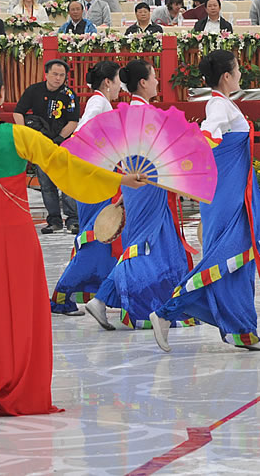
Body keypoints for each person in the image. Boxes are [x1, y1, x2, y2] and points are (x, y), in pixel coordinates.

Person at [0, 62, 145, 419]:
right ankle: (17, 385)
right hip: (16, 236)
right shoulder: (22, 137)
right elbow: (69, 165)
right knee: (19, 308)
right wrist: (119, 180)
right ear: (0, 97)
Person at [150, 50, 260, 352]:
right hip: (227, 198)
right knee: (227, 257)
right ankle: (167, 311)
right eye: (237, 69)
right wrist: (200, 148)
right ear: (226, 76)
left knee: (235, 262)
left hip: (233, 194)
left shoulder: (225, 104)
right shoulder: (219, 105)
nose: (241, 73)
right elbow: (208, 129)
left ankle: (244, 331)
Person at [86, 59, 194, 331]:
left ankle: (109, 299)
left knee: (151, 244)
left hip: (138, 184)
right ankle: (108, 299)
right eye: (154, 76)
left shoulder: (130, 111)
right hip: (146, 185)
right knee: (143, 246)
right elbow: (158, 156)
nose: (158, 81)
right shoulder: (143, 114)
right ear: (143, 83)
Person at [51, 61, 123, 317]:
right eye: (117, 81)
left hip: (99, 179)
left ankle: (104, 294)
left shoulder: (102, 102)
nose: (119, 87)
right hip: (95, 181)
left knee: (103, 238)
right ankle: (61, 295)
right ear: (107, 82)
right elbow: (81, 134)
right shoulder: (99, 103)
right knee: (95, 238)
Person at [13, 59, 80, 234]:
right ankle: (54, 220)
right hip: (40, 143)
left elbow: (73, 121)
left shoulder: (69, 94)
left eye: (62, 75)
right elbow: (18, 112)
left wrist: (58, 139)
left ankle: (72, 220)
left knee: (66, 183)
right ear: (46, 74)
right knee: (46, 183)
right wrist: (25, 134)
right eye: (55, 74)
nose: (58, 78)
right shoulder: (34, 90)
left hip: (63, 144)